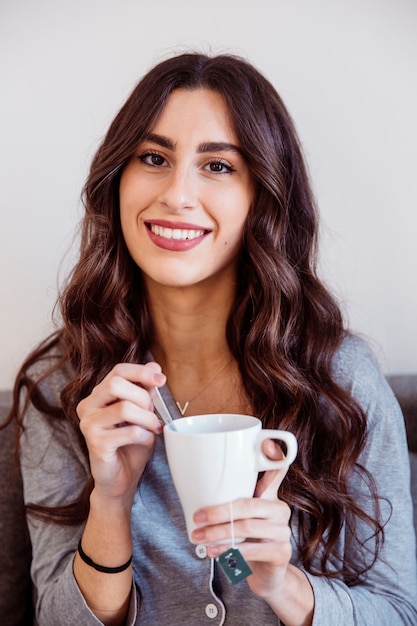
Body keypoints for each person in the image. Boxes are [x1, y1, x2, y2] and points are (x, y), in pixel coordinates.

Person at [6, 52, 417, 625]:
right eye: (154, 158)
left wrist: (285, 585)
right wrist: (112, 503)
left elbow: (400, 613)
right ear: (116, 180)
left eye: (219, 166)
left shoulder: (339, 379)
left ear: (262, 197)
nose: (177, 194)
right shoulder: (65, 386)